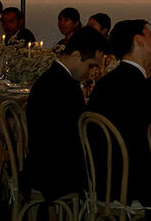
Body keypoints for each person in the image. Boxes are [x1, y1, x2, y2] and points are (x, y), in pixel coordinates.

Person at [22, 26, 108, 201]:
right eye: (91, 65)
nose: (92, 73)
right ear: (76, 55)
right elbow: (77, 136)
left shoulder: (49, 78)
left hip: (39, 166)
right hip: (56, 173)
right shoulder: (66, 87)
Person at [88, 18, 151, 204]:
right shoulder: (143, 90)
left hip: (102, 179)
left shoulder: (104, 84)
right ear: (139, 40)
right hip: (134, 185)